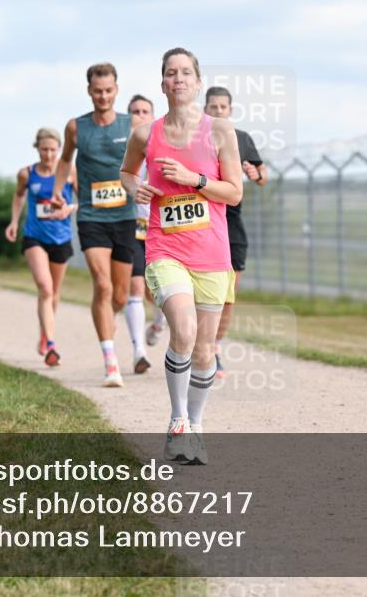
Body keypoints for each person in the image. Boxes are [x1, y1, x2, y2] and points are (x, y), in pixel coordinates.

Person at [121, 47, 242, 465]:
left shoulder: (221, 132)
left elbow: (235, 192)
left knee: (205, 349)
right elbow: (126, 171)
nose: (179, 79)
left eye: (186, 72)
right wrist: (131, 187)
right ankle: (177, 422)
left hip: (211, 250)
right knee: (184, 331)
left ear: (197, 80)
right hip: (164, 247)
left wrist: (195, 179)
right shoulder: (144, 134)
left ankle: (196, 424)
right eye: (171, 73)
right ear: (163, 84)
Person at [52, 63, 137, 387]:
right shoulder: (76, 127)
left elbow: (151, 155)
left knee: (119, 295)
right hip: (91, 216)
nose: (103, 96)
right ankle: (110, 362)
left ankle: (109, 317)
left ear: (117, 90)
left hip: (125, 216)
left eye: (109, 90)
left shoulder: (133, 125)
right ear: (89, 91)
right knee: (101, 285)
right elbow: (64, 160)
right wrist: (58, 191)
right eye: (97, 90)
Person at [203, 87, 268, 377]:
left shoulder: (241, 139)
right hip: (201, 220)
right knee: (202, 291)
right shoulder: (196, 137)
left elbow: (262, 175)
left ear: (230, 110)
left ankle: (215, 348)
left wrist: (256, 175)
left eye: (223, 107)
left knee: (228, 293)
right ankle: (196, 344)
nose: (218, 111)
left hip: (231, 221)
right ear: (205, 109)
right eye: (213, 107)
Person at [6, 128, 76, 367]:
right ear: (37, 148)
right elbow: (18, 197)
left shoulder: (69, 171)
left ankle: (45, 334)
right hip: (34, 237)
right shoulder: (26, 174)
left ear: (59, 150)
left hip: (61, 237)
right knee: (45, 289)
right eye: (44, 149)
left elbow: (84, 199)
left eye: (53, 150)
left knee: (54, 294)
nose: (48, 155)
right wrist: (14, 221)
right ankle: (52, 346)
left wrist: (70, 209)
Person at [125, 94, 160, 374]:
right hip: (131, 230)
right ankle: (139, 352)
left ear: (153, 115)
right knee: (136, 288)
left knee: (158, 293)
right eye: (134, 111)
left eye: (145, 111)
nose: (140, 115)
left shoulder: (165, 146)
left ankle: (158, 323)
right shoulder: (123, 150)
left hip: (161, 232)